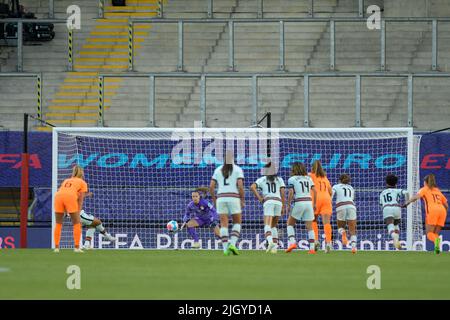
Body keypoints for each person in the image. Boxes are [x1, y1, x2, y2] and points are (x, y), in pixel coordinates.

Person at [210, 150, 245, 256]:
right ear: (233, 158)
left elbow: (211, 187)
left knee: (224, 224)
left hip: (221, 198)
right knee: (237, 222)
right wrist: (242, 199)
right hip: (233, 197)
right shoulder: (238, 169)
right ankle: (233, 244)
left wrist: (214, 200)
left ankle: (225, 249)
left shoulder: (218, 170)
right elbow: (240, 186)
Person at [403, 174, 448, 254]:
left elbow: (416, 197)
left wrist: (407, 202)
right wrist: (444, 213)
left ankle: (437, 242)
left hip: (433, 211)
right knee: (436, 234)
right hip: (442, 211)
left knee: (429, 234)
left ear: (425, 182)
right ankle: (437, 249)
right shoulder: (437, 190)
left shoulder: (424, 189)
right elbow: (446, 205)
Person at [250, 162, 286, 254]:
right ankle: (274, 248)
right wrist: (283, 205)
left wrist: (260, 198)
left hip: (269, 201)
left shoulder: (262, 179)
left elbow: (252, 187)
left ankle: (270, 243)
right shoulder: (279, 179)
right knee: (274, 226)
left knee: (267, 225)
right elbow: (282, 192)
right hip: (278, 202)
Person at [53, 165, 88, 253]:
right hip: (70, 197)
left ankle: (56, 247)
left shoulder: (66, 180)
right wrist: (78, 211)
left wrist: (65, 210)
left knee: (58, 223)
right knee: (76, 223)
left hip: (58, 196)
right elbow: (80, 199)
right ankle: (76, 247)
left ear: (73, 172)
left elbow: (63, 192)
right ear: (81, 172)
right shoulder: (82, 182)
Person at [285, 162, 317, 254]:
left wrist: (288, 204)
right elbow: (315, 191)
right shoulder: (308, 178)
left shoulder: (292, 179)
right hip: (309, 202)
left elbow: (291, 192)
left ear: (294, 170)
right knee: (310, 227)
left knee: (290, 224)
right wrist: (314, 204)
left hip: (299, 202)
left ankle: (292, 243)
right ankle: (311, 249)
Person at [379, 174, 409, 250]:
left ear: (386, 183)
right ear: (396, 183)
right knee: (396, 224)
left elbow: (381, 204)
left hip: (387, 208)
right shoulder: (398, 190)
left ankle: (394, 237)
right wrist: (407, 202)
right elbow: (406, 192)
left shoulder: (383, 192)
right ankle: (397, 241)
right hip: (397, 208)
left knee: (390, 226)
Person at [309, 160, 333, 253]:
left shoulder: (311, 175)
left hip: (316, 199)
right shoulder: (325, 178)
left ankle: (315, 241)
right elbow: (331, 192)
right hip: (326, 199)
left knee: (313, 220)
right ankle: (328, 243)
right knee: (326, 222)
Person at [332, 174, 357, 253]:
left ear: (339, 180)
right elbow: (352, 198)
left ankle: (343, 233)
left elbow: (330, 197)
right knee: (352, 230)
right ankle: (353, 248)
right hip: (351, 206)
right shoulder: (351, 188)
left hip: (341, 206)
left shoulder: (335, 186)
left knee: (340, 227)